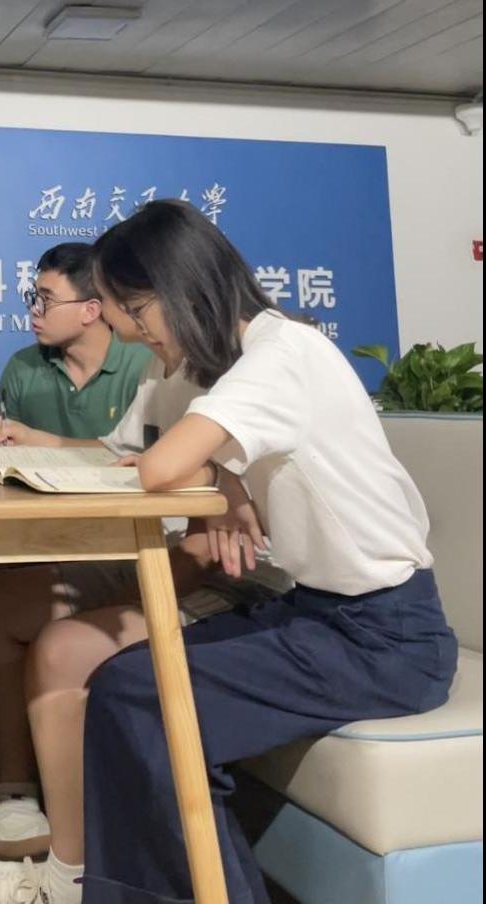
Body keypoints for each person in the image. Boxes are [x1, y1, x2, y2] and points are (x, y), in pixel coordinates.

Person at [70, 199, 455, 904]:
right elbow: (194, 462)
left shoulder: (282, 357)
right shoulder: (265, 355)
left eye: (139, 314)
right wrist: (225, 479)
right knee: (127, 681)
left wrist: (215, 475)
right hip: (324, 616)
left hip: (386, 640)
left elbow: (159, 468)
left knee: (140, 698)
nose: (133, 334)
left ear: (182, 289)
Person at [0, 262, 289, 904]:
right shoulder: (162, 372)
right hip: (148, 551)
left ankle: (71, 871)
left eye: (132, 306)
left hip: (219, 575)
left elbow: (208, 527)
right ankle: (18, 808)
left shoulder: (258, 369)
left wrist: (212, 482)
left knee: (63, 646)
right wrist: (37, 450)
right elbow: (119, 457)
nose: (127, 322)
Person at [0, 242, 150, 439]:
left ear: (90, 311)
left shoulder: (144, 367)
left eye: (47, 300)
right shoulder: (22, 366)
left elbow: (144, 452)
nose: (35, 309)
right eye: (35, 297)